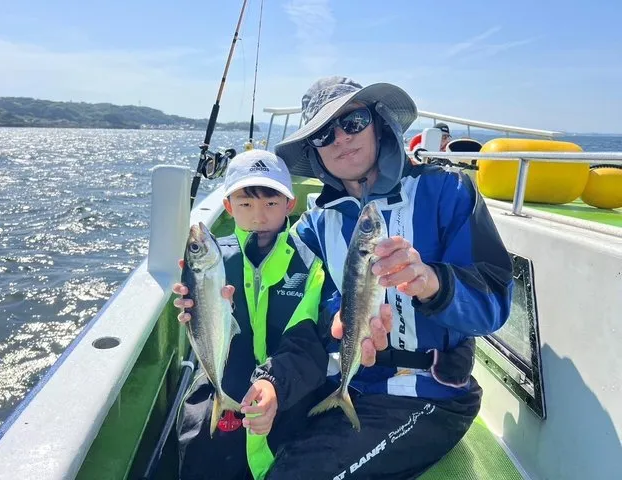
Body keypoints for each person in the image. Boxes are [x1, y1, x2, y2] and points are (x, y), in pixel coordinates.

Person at [267, 76, 514, 479]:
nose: (341, 139)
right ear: (314, 150)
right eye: (324, 134)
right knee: (240, 433)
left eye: (353, 122)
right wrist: (334, 317)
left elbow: (494, 305)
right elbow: (287, 294)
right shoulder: (315, 223)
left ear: (379, 122)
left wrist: (432, 283)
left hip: (427, 394)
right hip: (345, 378)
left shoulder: (446, 190)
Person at [172, 149, 328, 480]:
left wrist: (275, 386)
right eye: (245, 204)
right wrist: (193, 315)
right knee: (199, 446)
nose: (259, 216)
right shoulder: (216, 259)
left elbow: (306, 340)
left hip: (289, 386)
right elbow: (205, 328)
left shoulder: (310, 264)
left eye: (270, 203)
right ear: (228, 207)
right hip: (226, 378)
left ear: (290, 205)